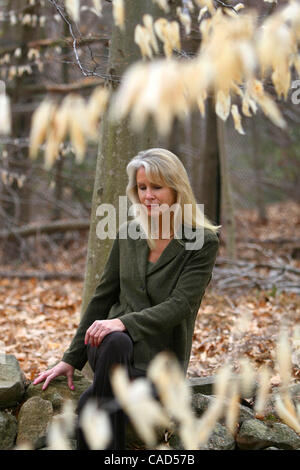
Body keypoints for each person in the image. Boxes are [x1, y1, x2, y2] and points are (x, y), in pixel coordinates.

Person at [33, 148, 220, 450]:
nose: (148, 195)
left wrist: (122, 322)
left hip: (160, 362)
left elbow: (181, 305)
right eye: (142, 187)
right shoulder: (128, 233)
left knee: (93, 398)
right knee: (115, 342)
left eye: (156, 187)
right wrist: (71, 359)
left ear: (177, 188)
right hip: (109, 349)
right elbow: (102, 297)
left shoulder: (202, 242)